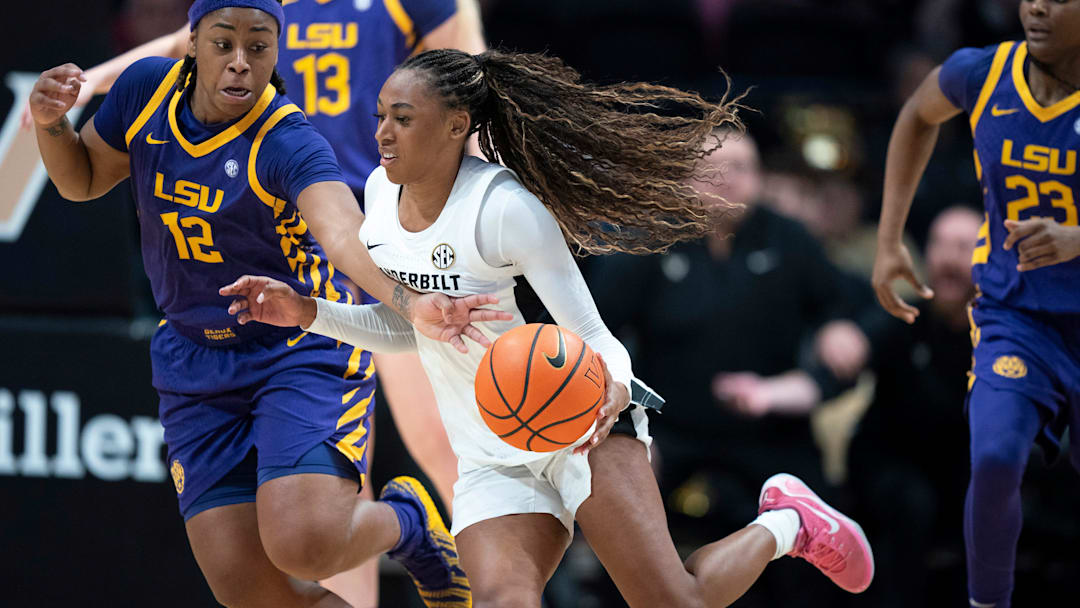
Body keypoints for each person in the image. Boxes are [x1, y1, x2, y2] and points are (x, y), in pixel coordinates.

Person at [221, 47, 876, 607]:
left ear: (455, 127)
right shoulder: (379, 205)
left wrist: (616, 389)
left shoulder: (507, 212)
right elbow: (412, 331)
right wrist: (311, 313)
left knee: (678, 601)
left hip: (579, 429)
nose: (383, 134)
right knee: (506, 600)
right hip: (488, 452)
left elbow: (596, 336)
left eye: (403, 118)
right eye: (381, 118)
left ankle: (789, 523)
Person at [27, 2, 505, 606]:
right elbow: (83, 179)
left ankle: (409, 522)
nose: (240, 65)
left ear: (280, 53)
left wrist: (412, 299)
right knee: (251, 592)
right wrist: (53, 125)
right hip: (194, 358)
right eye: (224, 45)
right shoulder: (146, 90)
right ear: (194, 44)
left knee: (309, 539)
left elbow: (341, 234)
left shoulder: (287, 137)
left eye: (259, 48)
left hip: (300, 341)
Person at [587, 129, 865, 607]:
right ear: (684, 179)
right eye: (713, 168)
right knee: (616, 506)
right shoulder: (651, 238)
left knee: (828, 515)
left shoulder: (788, 237)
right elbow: (591, 325)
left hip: (769, 430)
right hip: (667, 431)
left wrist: (844, 326)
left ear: (759, 178)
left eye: (741, 168)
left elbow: (858, 305)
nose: (727, 179)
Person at [872, 1, 1080, 606]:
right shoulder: (982, 72)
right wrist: (889, 241)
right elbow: (916, 115)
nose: (1037, 5)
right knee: (993, 457)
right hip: (1015, 317)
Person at [851, 206, 982, 607]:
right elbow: (857, 340)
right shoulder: (901, 315)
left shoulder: (1002, 334)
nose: (947, 258)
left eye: (963, 247)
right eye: (939, 245)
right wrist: (843, 338)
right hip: (891, 464)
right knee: (912, 503)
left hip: (963, 470)